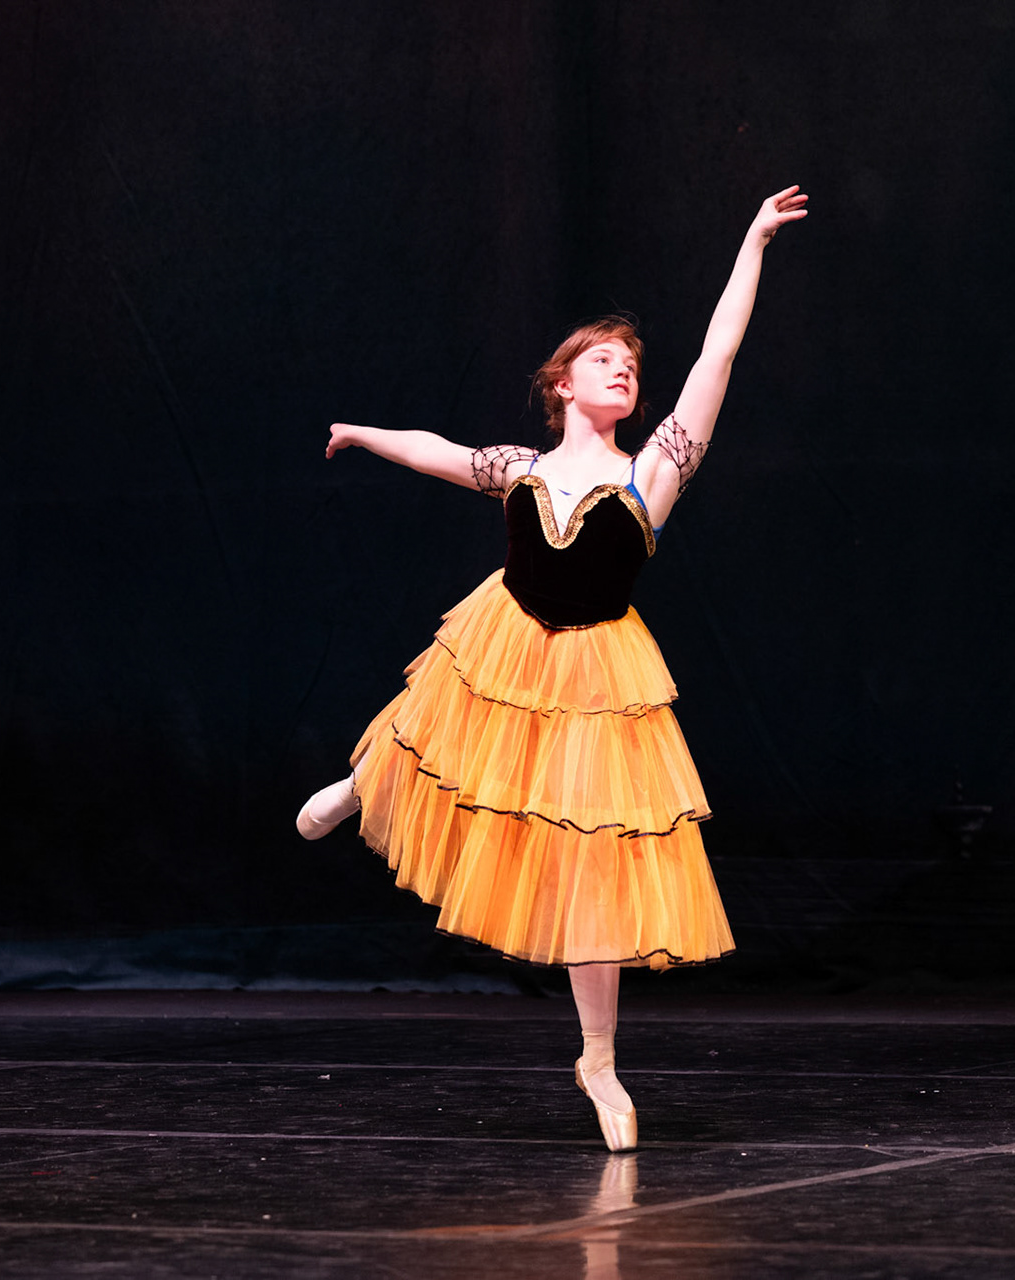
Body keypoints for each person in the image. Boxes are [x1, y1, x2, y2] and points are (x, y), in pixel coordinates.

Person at [294, 185, 809, 1151]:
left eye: (631, 366)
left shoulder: (654, 471)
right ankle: (365, 786)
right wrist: (361, 433)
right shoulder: (521, 470)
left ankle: (598, 1062)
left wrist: (751, 244)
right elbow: (438, 453)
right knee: (444, 710)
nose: (624, 370)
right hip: (511, 634)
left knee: (592, 862)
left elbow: (717, 356)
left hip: (598, 670)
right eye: (603, 360)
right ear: (562, 386)